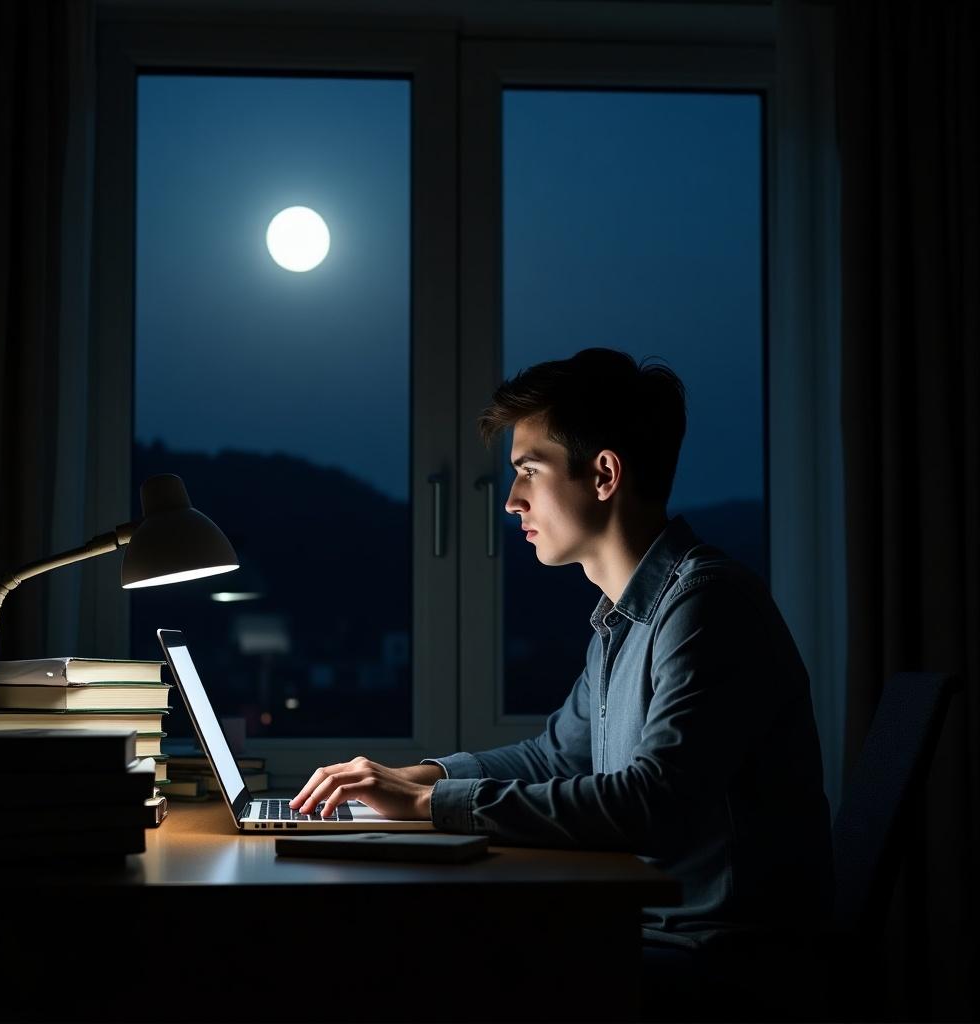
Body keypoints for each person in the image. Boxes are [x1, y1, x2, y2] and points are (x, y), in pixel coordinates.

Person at [291, 348, 833, 1011]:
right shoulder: (623, 616)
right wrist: (419, 777)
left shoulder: (706, 606)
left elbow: (649, 805)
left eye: (528, 472)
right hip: (653, 933)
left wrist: (428, 808)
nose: (512, 500)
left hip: (715, 960)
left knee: (411, 967)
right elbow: (553, 755)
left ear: (603, 474)